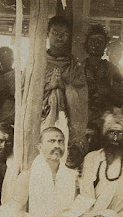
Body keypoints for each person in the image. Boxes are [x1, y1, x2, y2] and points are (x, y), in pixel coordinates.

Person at [11, 127, 78, 217]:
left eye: (61, 141)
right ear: (40, 147)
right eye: (52, 141)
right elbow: (16, 211)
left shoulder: (70, 176)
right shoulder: (27, 176)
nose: (57, 145)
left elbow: (74, 211)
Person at [42, 16, 88, 146]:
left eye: (64, 34)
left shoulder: (74, 65)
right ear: (47, 34)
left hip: (66, 118)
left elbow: (81, 93)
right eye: (55, 33)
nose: (59, 37)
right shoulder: (38, 61)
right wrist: (48, 86)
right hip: (41, 116)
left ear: (69, 37)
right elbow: (26, 90)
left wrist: (65, 87)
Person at [83, 25, 123, 121]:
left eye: (100, 41)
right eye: (92, 40)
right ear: (87, 43)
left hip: (104, 121)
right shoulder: (77, 68)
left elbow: (119, 102)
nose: (95, 44)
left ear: (105, 45)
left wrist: (107, 91)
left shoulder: (112, 70)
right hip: (81, 120)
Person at [0, 47, 15, 126]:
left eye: (9, 58)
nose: (7, 61)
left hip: (11, 111)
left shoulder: (18, 75)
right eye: (3, 58)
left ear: (13, 59)